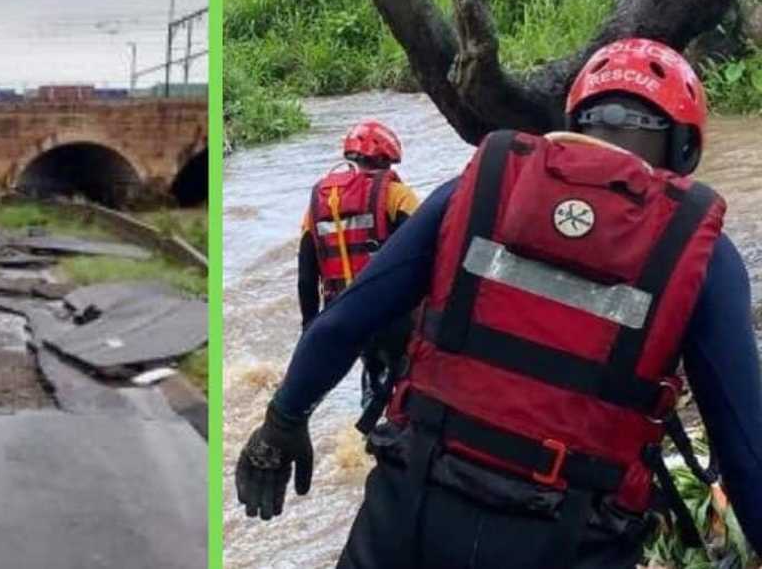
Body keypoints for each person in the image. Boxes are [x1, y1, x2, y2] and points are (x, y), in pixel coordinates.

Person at [235, 38, 762, 569]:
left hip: (410, 512)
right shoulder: (703, 254)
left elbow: (340, 324)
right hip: (571, 539)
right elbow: (745, 451)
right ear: (686, 150)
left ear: (576, 121)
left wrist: (281, 425)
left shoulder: (474, 186)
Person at [299, 120, 420, 431]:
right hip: (394, 315)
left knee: (374, 372)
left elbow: (306, 275)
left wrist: (310, 327)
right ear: (383, 160)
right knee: (410, 382)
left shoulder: (317, 204)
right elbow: (429, 248)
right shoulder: (396, 194)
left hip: (345, 316)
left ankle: (369, 428)